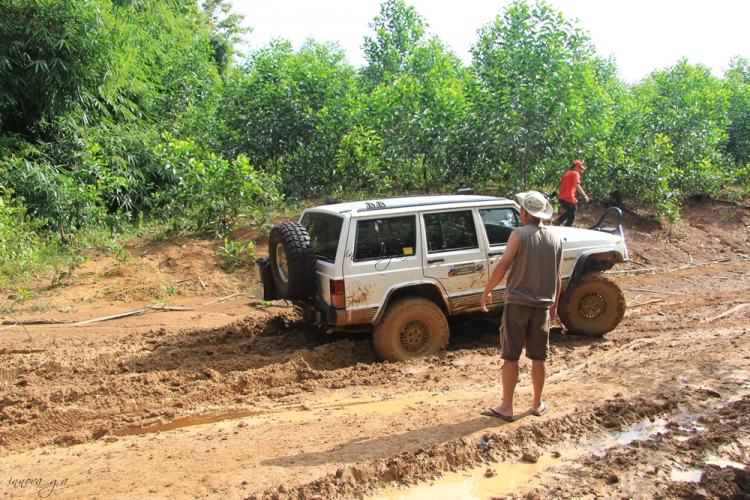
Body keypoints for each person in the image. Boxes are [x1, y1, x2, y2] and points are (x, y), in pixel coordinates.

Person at [480, 191, 563, 421]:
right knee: (539, 357)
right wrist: (554, 305)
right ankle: (536, 404)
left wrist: (488, 290)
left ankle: (507, 406)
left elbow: (503, 265)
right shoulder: (555, 238)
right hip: (543, 306)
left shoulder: (518, 234)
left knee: (511, 356)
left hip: (517, 304)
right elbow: (557, 277)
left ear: (524, 212)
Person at [555, 160, 589, 227]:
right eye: (580, 168)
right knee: (572, 215)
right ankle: (566, 229)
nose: (580, 170)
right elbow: (576, 184)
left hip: (561, 197)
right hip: (568, 197)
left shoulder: (566, 174)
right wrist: (584, 195)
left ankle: (559, 220)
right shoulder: (575, 174)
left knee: (571, 212)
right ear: (577, 166)